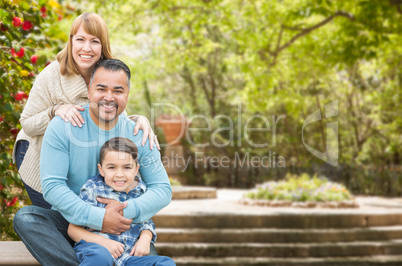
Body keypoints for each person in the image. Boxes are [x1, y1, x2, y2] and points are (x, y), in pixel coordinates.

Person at [13, 59, 172, 266]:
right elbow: (53, 188)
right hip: (71, 220)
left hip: (123, 226)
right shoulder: (63, 126)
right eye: (101, 89)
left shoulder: (138, 133)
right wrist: (98, 217)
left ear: (127, 94)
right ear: (89, 91)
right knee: (27, 218)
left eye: (118, 91)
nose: (108, 97)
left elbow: (162, 189)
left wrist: (124, 211)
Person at [13, 12, 159, 209]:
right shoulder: (51, 75)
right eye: (80, 39)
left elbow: (113, 110)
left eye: (94, 41)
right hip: (37, 152)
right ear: (71, 41)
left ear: (103, 46)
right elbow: (28, 123)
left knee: (82, 216)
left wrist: (138, 119)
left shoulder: (107, 72)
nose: (86, 48)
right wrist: (54, 110)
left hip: (78, 158)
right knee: (57, 218)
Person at [68, 137, 175, 266]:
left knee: (166, 263)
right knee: (100, 257)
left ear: (136, 169)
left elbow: (146, 222)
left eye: (127, 167)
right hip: (96, 249)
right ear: (101, 169)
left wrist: (145, 239)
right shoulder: (93, 188)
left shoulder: (141, 190)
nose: (119, 174)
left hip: (129, 256)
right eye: (112, 167)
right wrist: (104, 242)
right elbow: (73, 229)